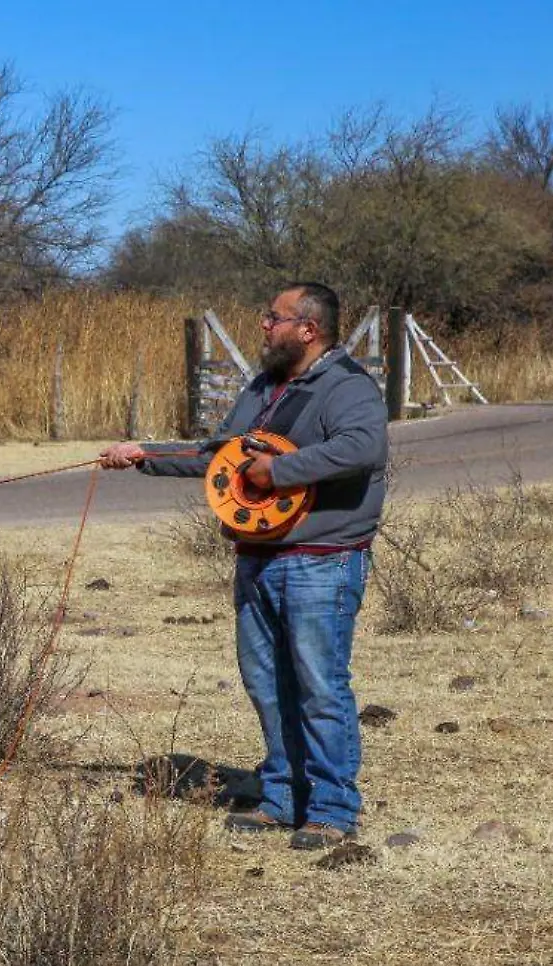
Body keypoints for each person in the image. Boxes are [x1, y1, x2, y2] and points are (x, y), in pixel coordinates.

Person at [99, 282, 386, 851]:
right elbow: (220, 457)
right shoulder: (263, 388)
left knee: (319, 686)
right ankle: (281, 797)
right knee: (266, 682)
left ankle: (331, 809)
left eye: (273, 318)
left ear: (308, 329)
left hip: (321, 562)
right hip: (257, 559)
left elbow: (362, 449)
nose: (263, 326)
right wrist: (144, 456)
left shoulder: (347, 386)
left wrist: (279, 473)